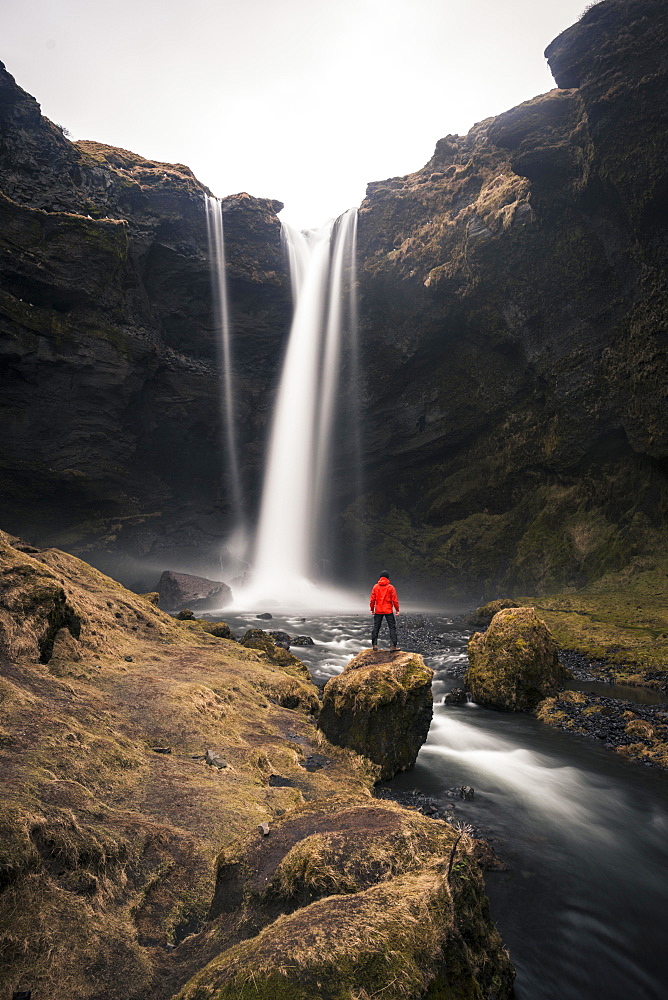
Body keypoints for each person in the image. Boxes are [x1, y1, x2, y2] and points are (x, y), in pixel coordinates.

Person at [369, 571, 400, 650]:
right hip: (388, 610)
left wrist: (372, 609)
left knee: (376, 627)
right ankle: (393, 646)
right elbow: (395, 600)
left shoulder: (375, 587)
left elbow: (372, 600)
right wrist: (397, 610)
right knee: (392, 627)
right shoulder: (391, 587)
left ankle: (374, 645)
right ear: (388, 578)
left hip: (378, 610)